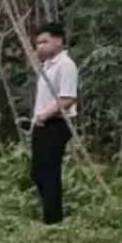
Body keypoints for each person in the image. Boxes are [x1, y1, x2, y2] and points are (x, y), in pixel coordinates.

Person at [29, 22, 78, 225]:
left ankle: (53, 220)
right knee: (37, 172)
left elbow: (67, 98)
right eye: (37, 43)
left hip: (55, 124)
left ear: (58, 41)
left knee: (49, 172)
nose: (40, 46)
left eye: (44, 41)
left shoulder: (66, 65)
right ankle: (51, 213)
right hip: (42, 125)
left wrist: (43, 116)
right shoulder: (47, 65)